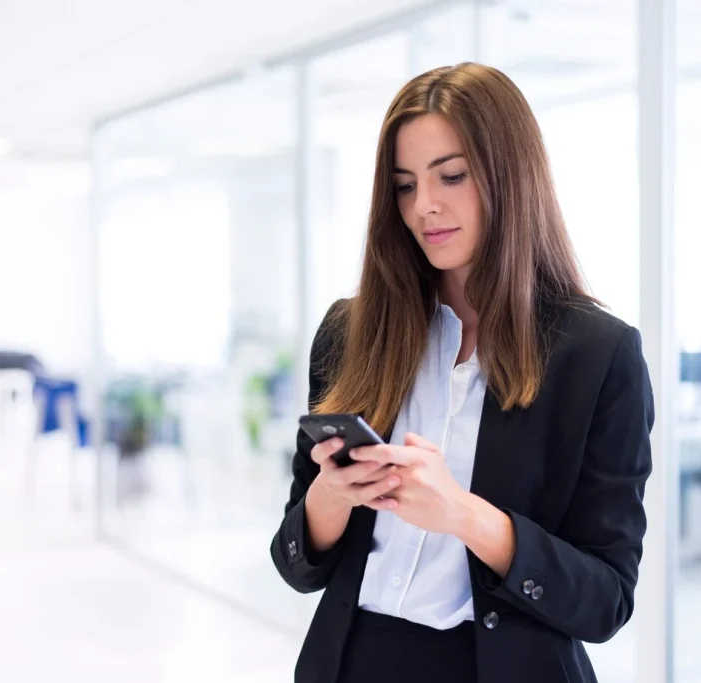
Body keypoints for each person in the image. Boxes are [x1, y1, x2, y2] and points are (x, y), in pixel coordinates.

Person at [270, 63, 654, 683]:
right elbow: (295, 566)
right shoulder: (349, 333)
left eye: (451, 176)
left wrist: (465, 516)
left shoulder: (598, 354)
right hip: (351, 662)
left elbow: (606, 600)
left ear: (511, 176)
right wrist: (330, 498)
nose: (425, 207)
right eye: (403, 185)